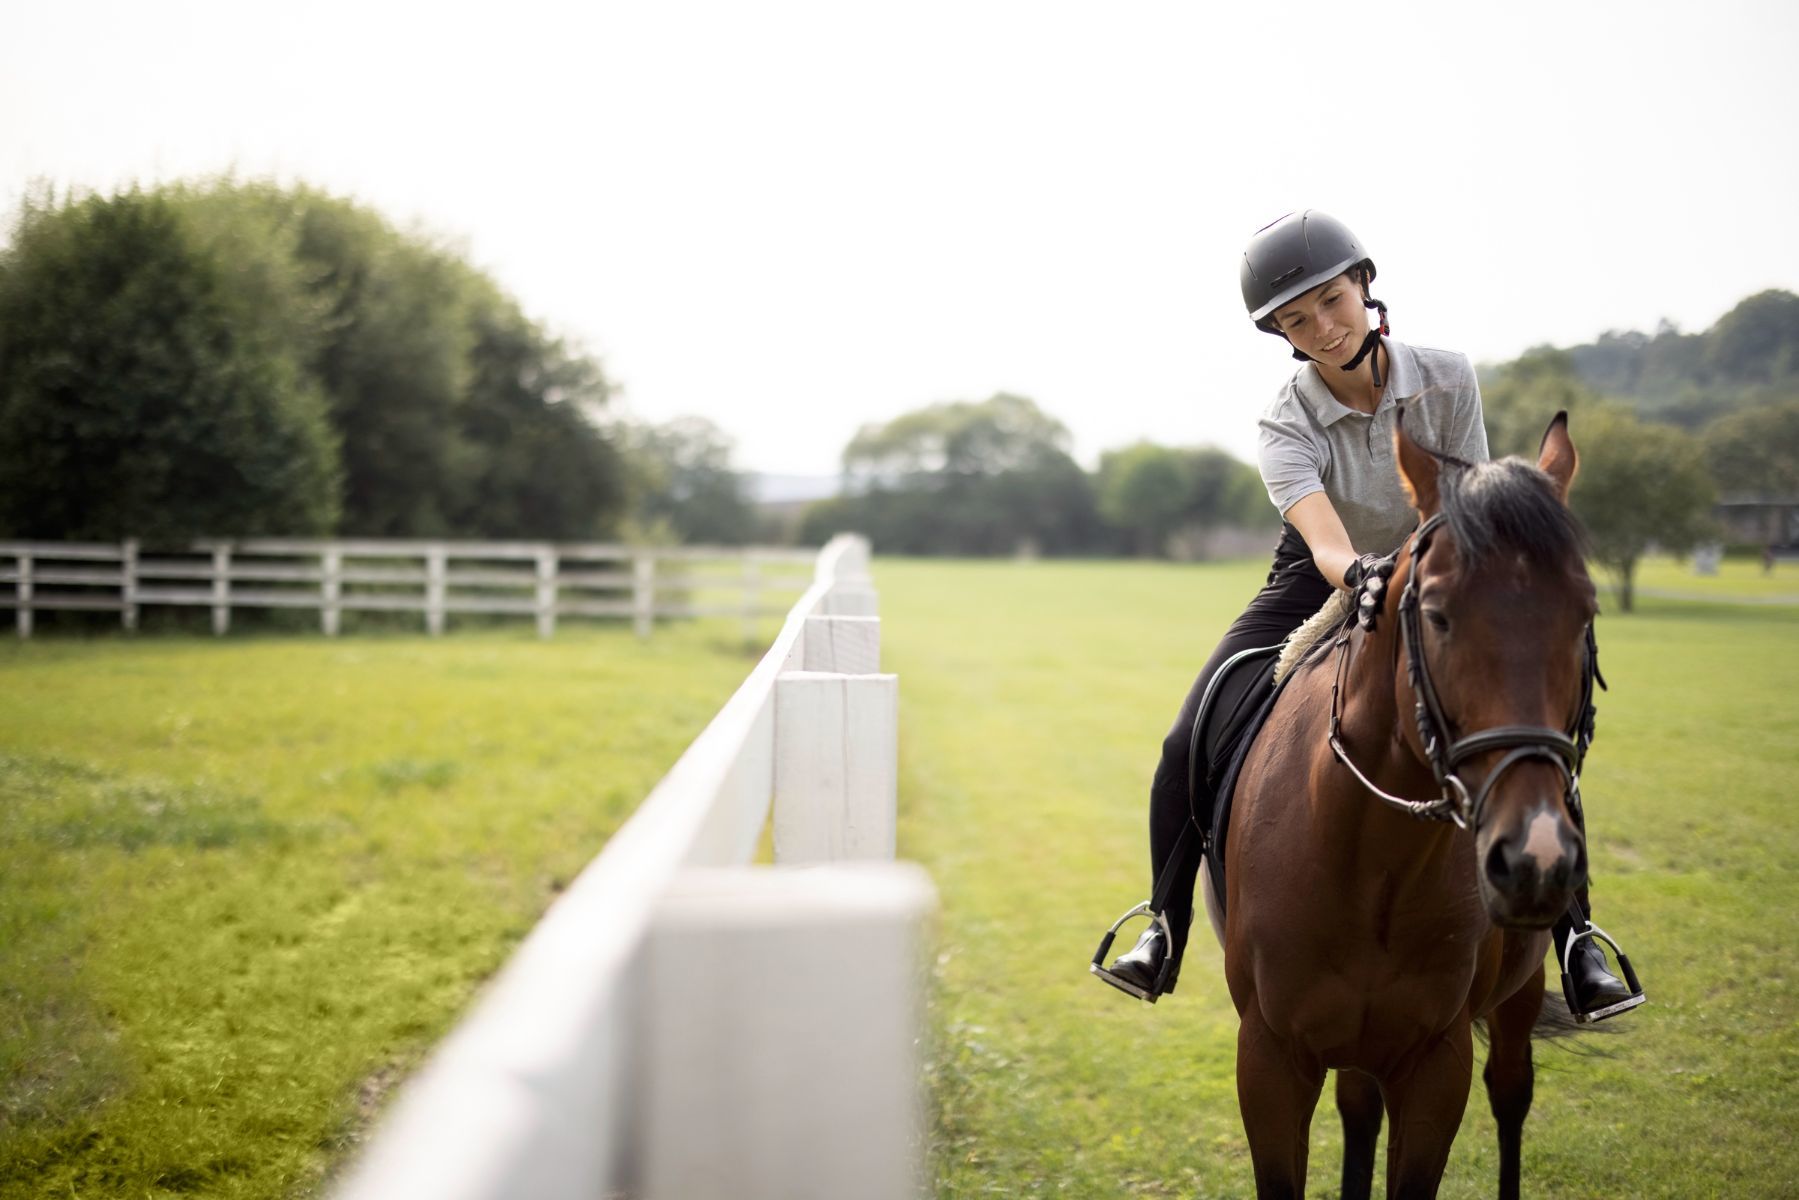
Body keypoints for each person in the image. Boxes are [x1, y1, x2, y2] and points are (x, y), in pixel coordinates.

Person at [1094, 210, 1645, 1022]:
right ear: (1279, 333)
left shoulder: (1448, 377)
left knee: (1523, 725)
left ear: (1363, 286)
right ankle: (1162, 926)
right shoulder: (1283, 420)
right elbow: (1321, 539)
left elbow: (1469, 503)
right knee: (1190, 732)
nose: (1320, 327)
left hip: (1439, 566)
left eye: (1330, 300)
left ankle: (1575, 939)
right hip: (1322, 576)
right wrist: (1362, 575)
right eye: (1294, 319)